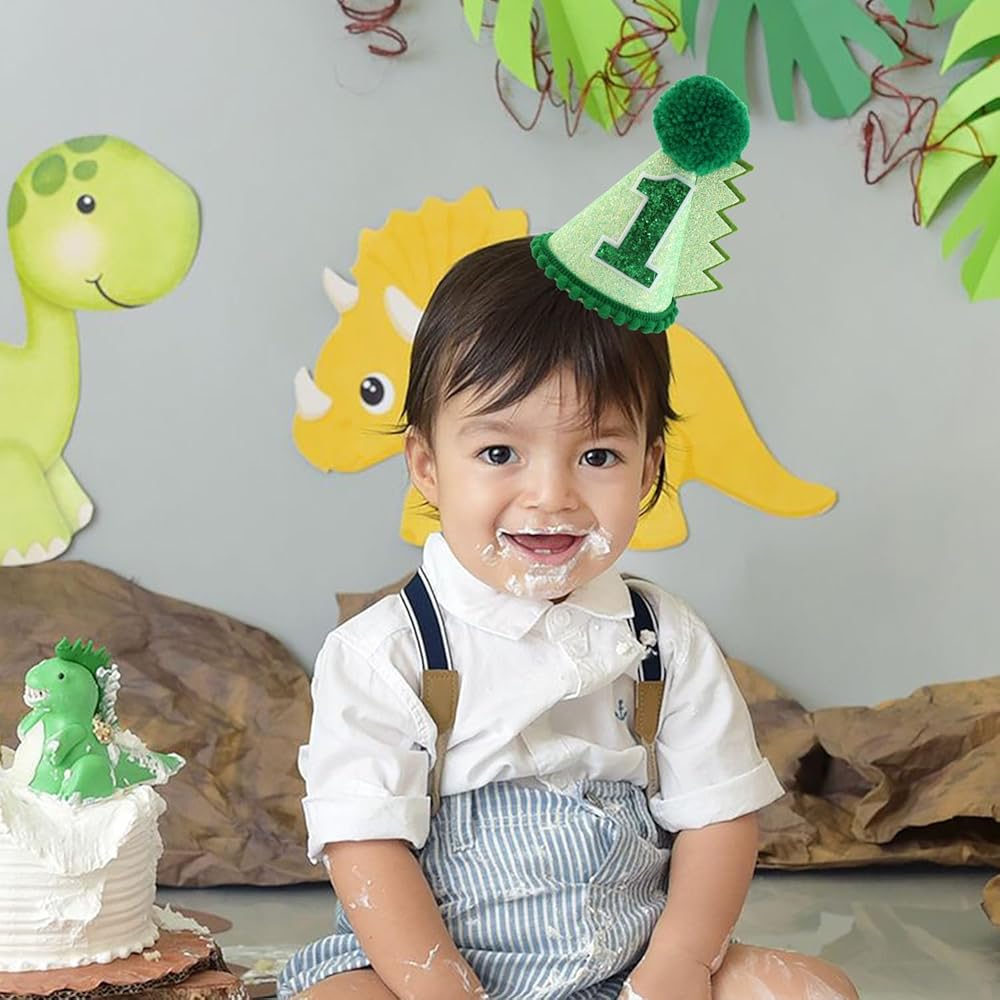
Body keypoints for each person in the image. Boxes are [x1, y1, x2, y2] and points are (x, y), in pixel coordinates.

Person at [279, 78, 860, 1000]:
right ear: (426, 466)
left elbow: (718, 818)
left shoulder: (662, 640)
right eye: (498, 452)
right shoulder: (384, 653)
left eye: (597, 454)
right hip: (425, 968)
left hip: (627, 958)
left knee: (812, 989)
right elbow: (366, 845)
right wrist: (440, 989)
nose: (551, 497)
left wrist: (675, 967)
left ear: (651, 467)